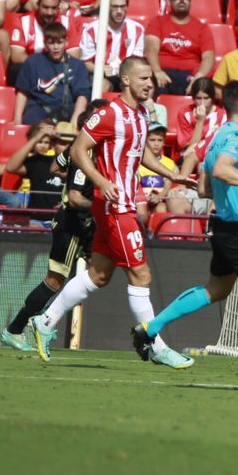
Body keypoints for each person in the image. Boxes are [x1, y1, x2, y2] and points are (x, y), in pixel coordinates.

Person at [26, 58, 193, 368]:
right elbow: (78, 150)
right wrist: (101, 180)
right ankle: (155, 346)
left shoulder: (142, 113)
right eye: (143, 78)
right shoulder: (108, 114)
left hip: (121, 204)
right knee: (141, 275)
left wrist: (172, 174)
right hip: (115, 206)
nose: (149, 84)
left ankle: (45, 322)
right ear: (125, 80)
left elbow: (140, 153)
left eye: (151, 79)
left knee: (99, 275)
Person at [133, 81, 238, 392]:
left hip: (222, 226)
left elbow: (205, 187)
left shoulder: (216, 137)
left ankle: (149, 329)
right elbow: (221, 170)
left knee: (216, 289)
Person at [0, 115, 98, 352]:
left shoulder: (80, 148)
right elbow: (74, 198)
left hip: (84, 223)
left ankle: (35, 322)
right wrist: (97, 201)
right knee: (54, 281)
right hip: (73, 223)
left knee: (101, 274)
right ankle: (19, 328)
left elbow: (55, 167)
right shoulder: (85, 152)